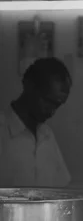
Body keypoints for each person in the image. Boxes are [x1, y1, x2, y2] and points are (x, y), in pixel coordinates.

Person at [0, 57, 71, 187]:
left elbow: (61, 189)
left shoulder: (47, 136)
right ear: (29, 86)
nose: (51, 112)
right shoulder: (3, 131)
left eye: (57, 106)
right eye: (48, 101)